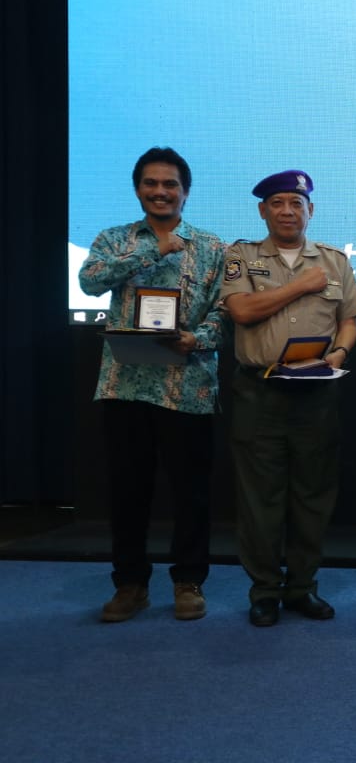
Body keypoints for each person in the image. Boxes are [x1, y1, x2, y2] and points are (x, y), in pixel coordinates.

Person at [79, 147, 228, 623]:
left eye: (170, 184)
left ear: (186, 192)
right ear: (138, 189)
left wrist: (196, 338)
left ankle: (189, 581)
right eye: (151, 183)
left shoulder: (212, 247)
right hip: (126, 385)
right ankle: (130, 584)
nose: (160, 192)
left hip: (188, 386)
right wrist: (154, 250)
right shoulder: (115, 239)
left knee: (192, 494)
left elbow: (224, 313)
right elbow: (89, 282)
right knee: (128, 492)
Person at [221, 170, 356, 627]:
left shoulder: (334, 260)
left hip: (316, 393)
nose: (288, 211)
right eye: (278, 203)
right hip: (259, 393)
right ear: (263, 210)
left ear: (310, 211)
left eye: (296, 204)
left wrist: (339, 353)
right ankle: (264, 590)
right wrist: (300, 286)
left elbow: (349, 320)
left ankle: (302, 587)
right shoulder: (242, 257)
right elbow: (242, 310)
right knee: (260, 500)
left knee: (312, 497)